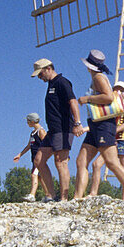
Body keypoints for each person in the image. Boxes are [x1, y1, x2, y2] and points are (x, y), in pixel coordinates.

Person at [73, 51, 124, 200]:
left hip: (104, 126)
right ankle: (77, 197)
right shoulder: (97, 78)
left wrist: (87, 99)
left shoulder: (98, 78)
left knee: (112, 162)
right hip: (95, 125)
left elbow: (108, 97)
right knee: (81, 161)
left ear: (89, 66)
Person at [32, 58, 81, 201]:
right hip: (52, 130)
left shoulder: (62, 82)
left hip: (63, 128)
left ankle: (64, 199)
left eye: (40, 74)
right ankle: (51, 195)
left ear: (48, 69)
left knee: (60, 161)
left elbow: (73, 101)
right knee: (39, 160)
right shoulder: (51, 85)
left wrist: (77, 123)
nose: (40, 78)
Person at [89, 81, 124, 195]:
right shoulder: (112, 106)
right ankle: (93, 193)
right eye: (116, 90)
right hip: (112, 140)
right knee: (96, 164)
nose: (119, 92)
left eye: (122, 91)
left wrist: (111, 131)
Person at [13, 113, 55, 202]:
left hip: (39, 158)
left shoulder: (41, 131)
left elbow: (47, 144)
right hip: (33, 158)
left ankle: (32, 195)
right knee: (40, 177)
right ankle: (49, 195)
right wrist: (20, 154)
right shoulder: (33, 133)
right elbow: (29, 146)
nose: (27, 123)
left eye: (28, 121)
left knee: (34, 174)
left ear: (32, 121)